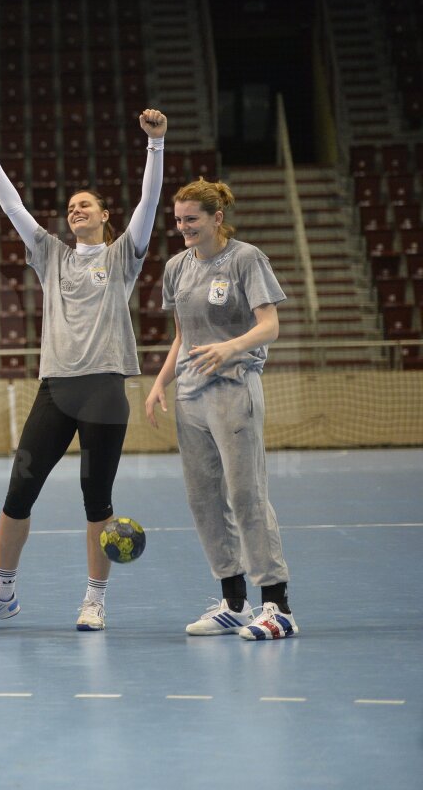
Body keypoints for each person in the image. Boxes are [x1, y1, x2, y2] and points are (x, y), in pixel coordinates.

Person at [0, 110, 167, 632]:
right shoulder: (50, 255)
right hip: (55, 389)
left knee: (97, 501)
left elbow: (148, 204)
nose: (75, 210)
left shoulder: (122, 256)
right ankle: (2, 594)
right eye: (71, 206)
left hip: (105, 391)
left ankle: (95, 600)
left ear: (104, 216)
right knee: (18, 493)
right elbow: (13, 206)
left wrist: (155, 145)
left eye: (85, 205)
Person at [144, 179, 297, 641]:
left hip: (233, 388)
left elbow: (269, 325)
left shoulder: (246, 259)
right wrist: (160, 382)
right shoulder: (176, 266)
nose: (183, 227)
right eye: (178, 220)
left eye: (191, 219)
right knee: (203, 499)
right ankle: (233, 602)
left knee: (246, 494)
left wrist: (230, 348)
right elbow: (182, 335)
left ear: (217, 218)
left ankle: (278, 607)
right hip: (190, 396)